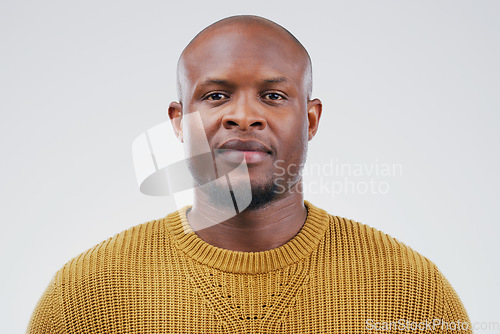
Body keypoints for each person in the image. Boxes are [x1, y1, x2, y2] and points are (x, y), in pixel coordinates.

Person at [27, 15, 472, 333]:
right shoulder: (87, 296)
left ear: (312, 119)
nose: (244, 116)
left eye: (273, 95)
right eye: (217, 95)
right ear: (179, 121)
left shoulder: (409, 290)